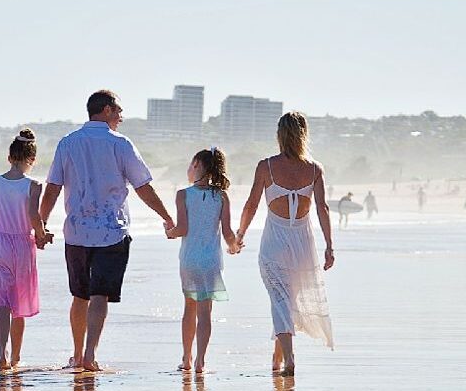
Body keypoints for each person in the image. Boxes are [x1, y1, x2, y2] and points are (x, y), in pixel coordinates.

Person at [40, 90, 173, 372]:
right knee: (99, 295)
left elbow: (53, 187)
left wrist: (41, 224)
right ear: (107, 110)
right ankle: (89, 355)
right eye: (119, 111)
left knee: (80, 295)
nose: (122, 117)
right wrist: (166, 216)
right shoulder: (121, 144)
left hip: (76, 232)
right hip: (112, 231)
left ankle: (77, 355)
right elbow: (143, 187)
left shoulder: (68, 143)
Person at [236, 111, 335, 375]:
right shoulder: (314, 169)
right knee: (285, 301)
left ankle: (289, 358)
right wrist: (329, 246)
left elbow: (251, 204)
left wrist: (240, 234)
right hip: (303, 245)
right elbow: (322, 208)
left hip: (274, 244)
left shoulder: (266, 166)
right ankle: (277, 358)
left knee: (280, 300)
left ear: (280, 135)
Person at [165, 148, 240, 373]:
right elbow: (227, 234)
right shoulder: (222, 196)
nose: (188, 168)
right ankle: (200, 361)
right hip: (211, 262)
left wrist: (169, 232)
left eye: (190, 164)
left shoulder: (183, 194)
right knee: (205, 312)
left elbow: (182, 229)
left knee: (189, 308)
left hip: (189, 260)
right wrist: (235, 246)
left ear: (197, 165)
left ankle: (186, 359)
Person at [0, 128, 53, 370]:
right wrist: (43, 235)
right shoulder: (33, 185)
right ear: (32, 160)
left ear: (9, 157)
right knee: (19, 305)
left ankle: (1, 354)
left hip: (0, 243)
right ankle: (16, 357)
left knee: (2, 302)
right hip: (22, 245)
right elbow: (33, 217)